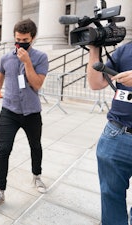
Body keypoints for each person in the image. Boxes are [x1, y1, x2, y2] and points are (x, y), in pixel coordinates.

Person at [0, 18, 48, 209]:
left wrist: (27, 62)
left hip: (32, 112)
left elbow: (36, 84)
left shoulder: (40, 58)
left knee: (35, 146)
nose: (21, 43)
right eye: (18, 39)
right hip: (9, 111)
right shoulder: (5, 58)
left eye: (25, 39)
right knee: (3, 150)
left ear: (33, 38)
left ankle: (37, 175)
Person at [86, 42, 132, 225]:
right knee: (110, 197)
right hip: (116, 134)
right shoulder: (126, 49)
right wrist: (94, 49)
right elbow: (96, 83)